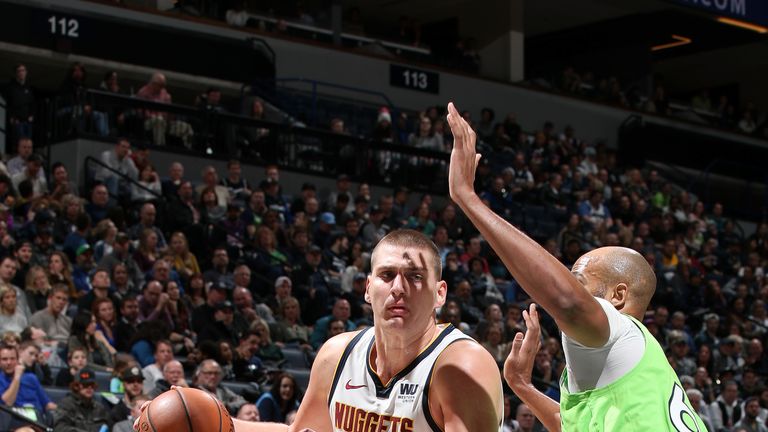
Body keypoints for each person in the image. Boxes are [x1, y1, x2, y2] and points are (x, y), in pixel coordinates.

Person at [444, 101, 706, 431]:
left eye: (578, 278)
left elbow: (566, 302)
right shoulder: (633, 368)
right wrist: (522, 386)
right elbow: (570, 425)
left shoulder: (619, 330)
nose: (568, 284)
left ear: (618, 296)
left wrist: (467, 198)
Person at [149, 228, 503, 431]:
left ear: (440, 293)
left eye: (414, 277)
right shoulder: (337, 354)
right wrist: (212, 419)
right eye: (386, 275)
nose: (398, 288)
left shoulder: (460, 367)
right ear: (367, 288)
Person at [52, 368, 112, 432]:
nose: (89, 388)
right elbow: (59, 428)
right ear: (76, 386)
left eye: (92, 385)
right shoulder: (66, 405)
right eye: (85, 385)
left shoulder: (99, 408)